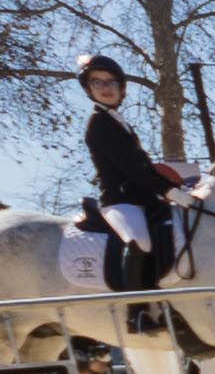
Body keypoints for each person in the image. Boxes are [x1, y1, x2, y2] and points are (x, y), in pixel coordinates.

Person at [78, 55, 192, 288]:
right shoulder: (97, 123)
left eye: (110, 82)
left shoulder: (121, 123)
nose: (105, 88)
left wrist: (178, 188)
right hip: (120, 202)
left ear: (121, 88)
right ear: (89, 89)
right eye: (97, 82)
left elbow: (144, 167)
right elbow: (130, 168)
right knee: (140, 241)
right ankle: (136, 309)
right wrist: (168, 191)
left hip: (143, 200)